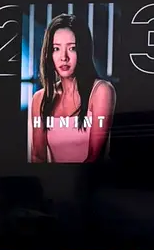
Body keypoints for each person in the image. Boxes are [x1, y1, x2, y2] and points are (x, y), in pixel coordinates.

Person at [29, 13, 116, 163]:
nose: (64, 57)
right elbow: (38, 156)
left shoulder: (101, 92)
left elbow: (95, 157)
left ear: (83, 51)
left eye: (72, 48)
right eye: (56, 48)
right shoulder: (40, 98)